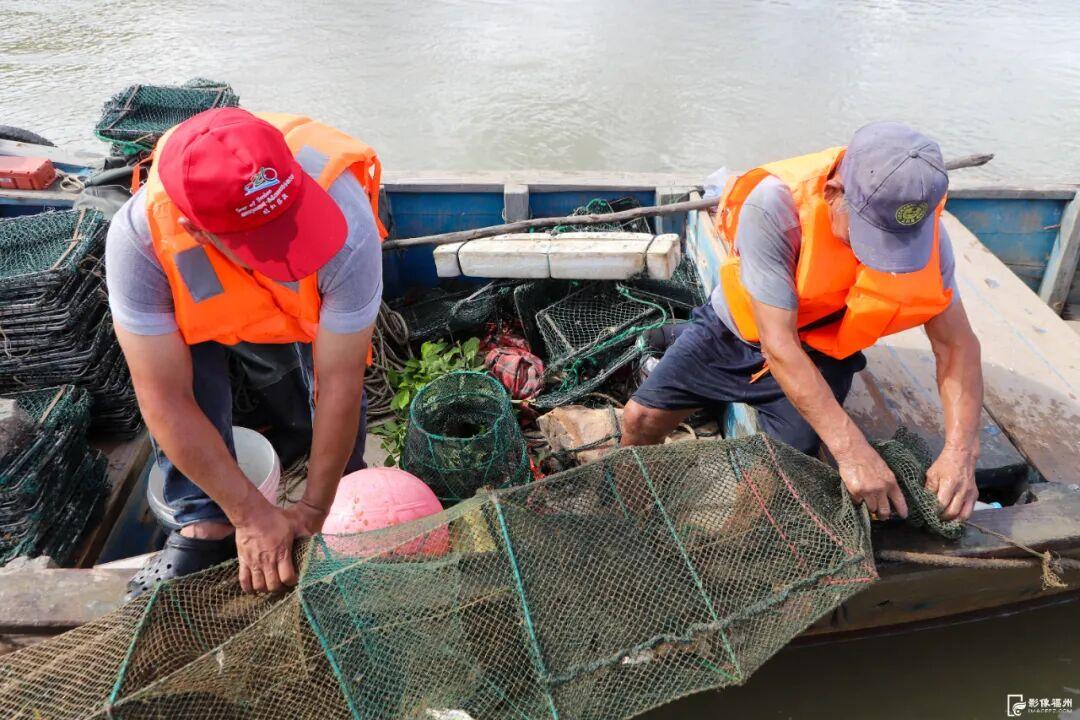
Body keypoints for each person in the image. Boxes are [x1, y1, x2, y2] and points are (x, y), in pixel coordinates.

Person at [623, 122, 983, 523]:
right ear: (833, 194)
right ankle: (637, 518)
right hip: (740, 333)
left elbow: (956, 345)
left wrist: (960, 452)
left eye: (897, 245)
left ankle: (729, 543)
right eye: (869, 238)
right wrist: (851, 449)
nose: (877, 258)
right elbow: (778, 346)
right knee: (639, 420)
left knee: (777, 477)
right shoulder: (774, 205)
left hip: (824, 350)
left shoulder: (927, 232)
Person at [105, 108, 385, 596]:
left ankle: (346, 492)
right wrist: (250, 515)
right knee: (190, 374)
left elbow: (339, 380)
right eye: (266, 242)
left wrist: (315, 510)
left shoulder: (347, 227)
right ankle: (204, 524)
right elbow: (164, 400)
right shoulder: (139, 244)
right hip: (203, 300)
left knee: (324, 384)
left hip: (307, 306)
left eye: (291, 223)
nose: (292, 245)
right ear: (198, 230)